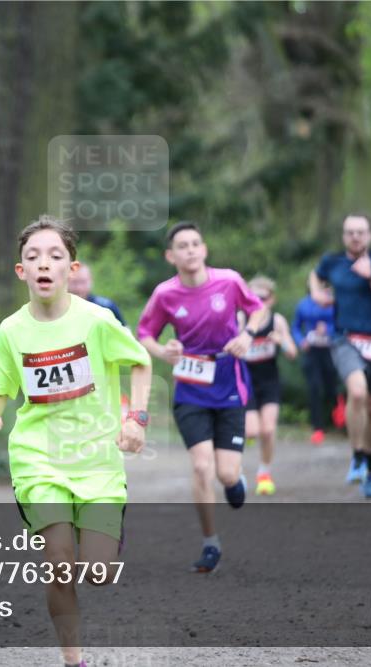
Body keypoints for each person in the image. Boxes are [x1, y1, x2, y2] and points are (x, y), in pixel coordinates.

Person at [0, 216, 151, 667]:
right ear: (21, 271)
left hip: (96, 460)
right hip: (39, 460)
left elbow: (140, 361)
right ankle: (73, 660)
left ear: (72, 269)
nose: (43, 263)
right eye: (33, 257)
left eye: (55, 256)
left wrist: (136, 418)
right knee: (58, 563)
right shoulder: (11, 330)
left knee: (98, 572)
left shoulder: (97, 321)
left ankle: (104, 541)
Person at [138, 222, 267, 573]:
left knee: (225, 474)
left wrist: (247, 334)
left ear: (204, 249)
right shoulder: (165, 294)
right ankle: (211, 543)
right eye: (182, 246)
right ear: (171, 256)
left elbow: (257, 308)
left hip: (228, 384)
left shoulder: (229, 281)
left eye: (195, 243)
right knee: (200, 466)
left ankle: (235, 480)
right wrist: (163, 351)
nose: (190, 250)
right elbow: (144, 333)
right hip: (191, 388)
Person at [309, 214, 371, 498]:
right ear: (344, 236)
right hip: (344, 339)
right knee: (357, 392)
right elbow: (316, 274)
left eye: (360, 232)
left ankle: (369, 462)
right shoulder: (332, 261)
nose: (355, 237)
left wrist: (370, 276)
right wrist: (317, 293)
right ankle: (357, 456)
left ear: (369, 235)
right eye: (350, 232)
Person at [239, 276, 297, 495]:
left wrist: (281, 341)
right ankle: (245, 440)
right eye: (252, 297)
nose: (258, 302)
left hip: (269, 381)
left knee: (268, 429)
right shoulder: (241, 319)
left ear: (271, 299)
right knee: (252, 430)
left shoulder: (277, 321)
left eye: (262, 298)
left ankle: (264, 473)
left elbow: (292, 353)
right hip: (246, 381)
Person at [292, 281, 341, 445]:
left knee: (331, 387)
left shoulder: (334, 303)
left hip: (330, 351)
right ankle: (318, 428)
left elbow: (341, 324)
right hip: (311, 352)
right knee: (314, 388)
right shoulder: (304, 304)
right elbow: (296, 327)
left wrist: (328, 329)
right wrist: (301, 341)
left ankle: (338, 408)